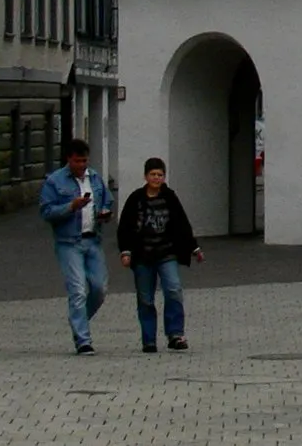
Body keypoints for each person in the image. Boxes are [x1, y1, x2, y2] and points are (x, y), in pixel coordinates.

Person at [116, 156, 203, 353]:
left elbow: (182, 223)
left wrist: (194, 247)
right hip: (142, 256)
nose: (157, 178)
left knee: (173, 289)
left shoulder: (169, 197)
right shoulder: (136, 199)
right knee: (145, 298)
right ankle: (149, 340)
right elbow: (125, 228)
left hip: (166, 253)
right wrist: (125, 251)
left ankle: (175, 334)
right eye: (153, 174)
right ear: (146, 176)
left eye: (160, 175)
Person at [39, 135, 115, 354]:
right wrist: (71, 206)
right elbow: (46, 211)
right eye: (77, 162)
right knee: (78, 290)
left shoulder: (95, 178)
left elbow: (106, 201)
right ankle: (83, 340)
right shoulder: (55, 181)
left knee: (99, 288)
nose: (81, 166)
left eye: (84, 161)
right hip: (69, 242)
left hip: (93, 239)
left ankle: (79, 319)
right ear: (68, 160)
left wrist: (104, 214)